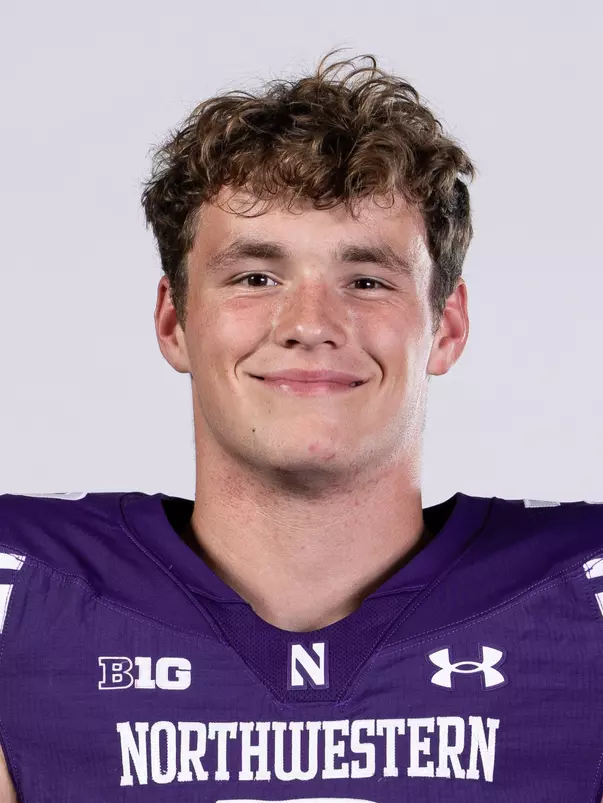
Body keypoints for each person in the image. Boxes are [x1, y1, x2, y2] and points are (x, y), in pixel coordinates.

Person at [0, 50, 602, 803]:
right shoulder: (23, 594)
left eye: (367, 280)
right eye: (256, 276)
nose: (310, 324)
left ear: (446, 327)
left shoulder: (583, 599)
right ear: (174, 321)